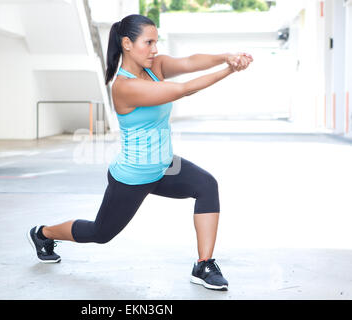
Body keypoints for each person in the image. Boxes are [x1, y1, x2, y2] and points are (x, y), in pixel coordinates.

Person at [27, 14, 253, 291]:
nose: (155, 49)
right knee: (100, 233)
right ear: (127, 44)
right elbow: (183, 89)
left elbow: (190, 62)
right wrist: (230, 70)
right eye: (149, 42)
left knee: (206, 185)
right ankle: (43, 233)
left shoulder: (154, 66)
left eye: (156, 42)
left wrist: (226, 56)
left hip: (165, 167)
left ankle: (204, 264)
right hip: (133, 176)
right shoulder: (124, 87)